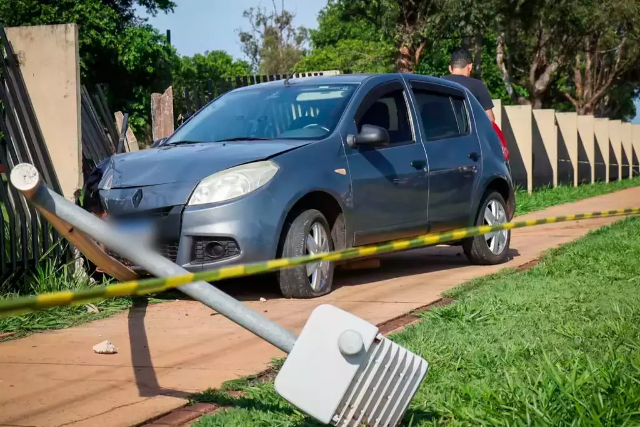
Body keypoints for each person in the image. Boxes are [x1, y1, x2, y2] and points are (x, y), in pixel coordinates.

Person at [443, 48, 495, 122]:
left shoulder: (437, 83)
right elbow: (490, 119)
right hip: (469, 133)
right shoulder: (477, 85)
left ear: (450, 68)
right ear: (470, 67)